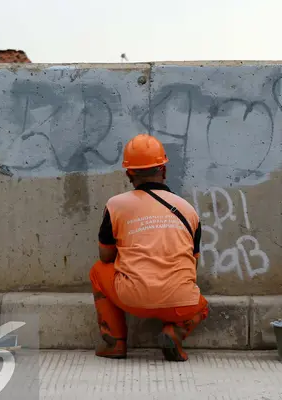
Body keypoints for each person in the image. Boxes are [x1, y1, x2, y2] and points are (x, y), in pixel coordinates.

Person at [89, 134, 209, 362]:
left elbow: (105, 255)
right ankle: (174, 332)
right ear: (163, 170)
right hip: (180, 303)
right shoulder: (188, 210)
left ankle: (114, 342)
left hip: (133, 297)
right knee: (201, 306)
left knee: (97, 270)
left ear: (128, 173)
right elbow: (192, 263)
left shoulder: (116, 205)